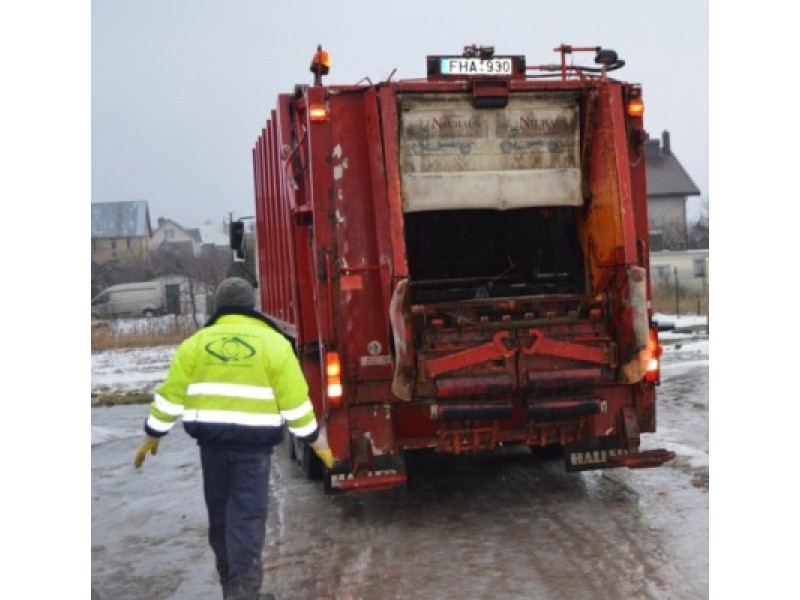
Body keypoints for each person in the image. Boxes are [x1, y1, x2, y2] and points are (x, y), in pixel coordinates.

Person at [133, 276, 333, 600]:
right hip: (253, 453)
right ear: (250, 305)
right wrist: (315, 441)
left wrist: (152, 434)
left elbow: (170, 396)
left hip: (212, 448)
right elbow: (296, 402)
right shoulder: (274, 344)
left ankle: (232, 589)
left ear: (219, 307)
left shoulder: (196, 344)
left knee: (222, 519)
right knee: (247, 521)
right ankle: (244, 595)